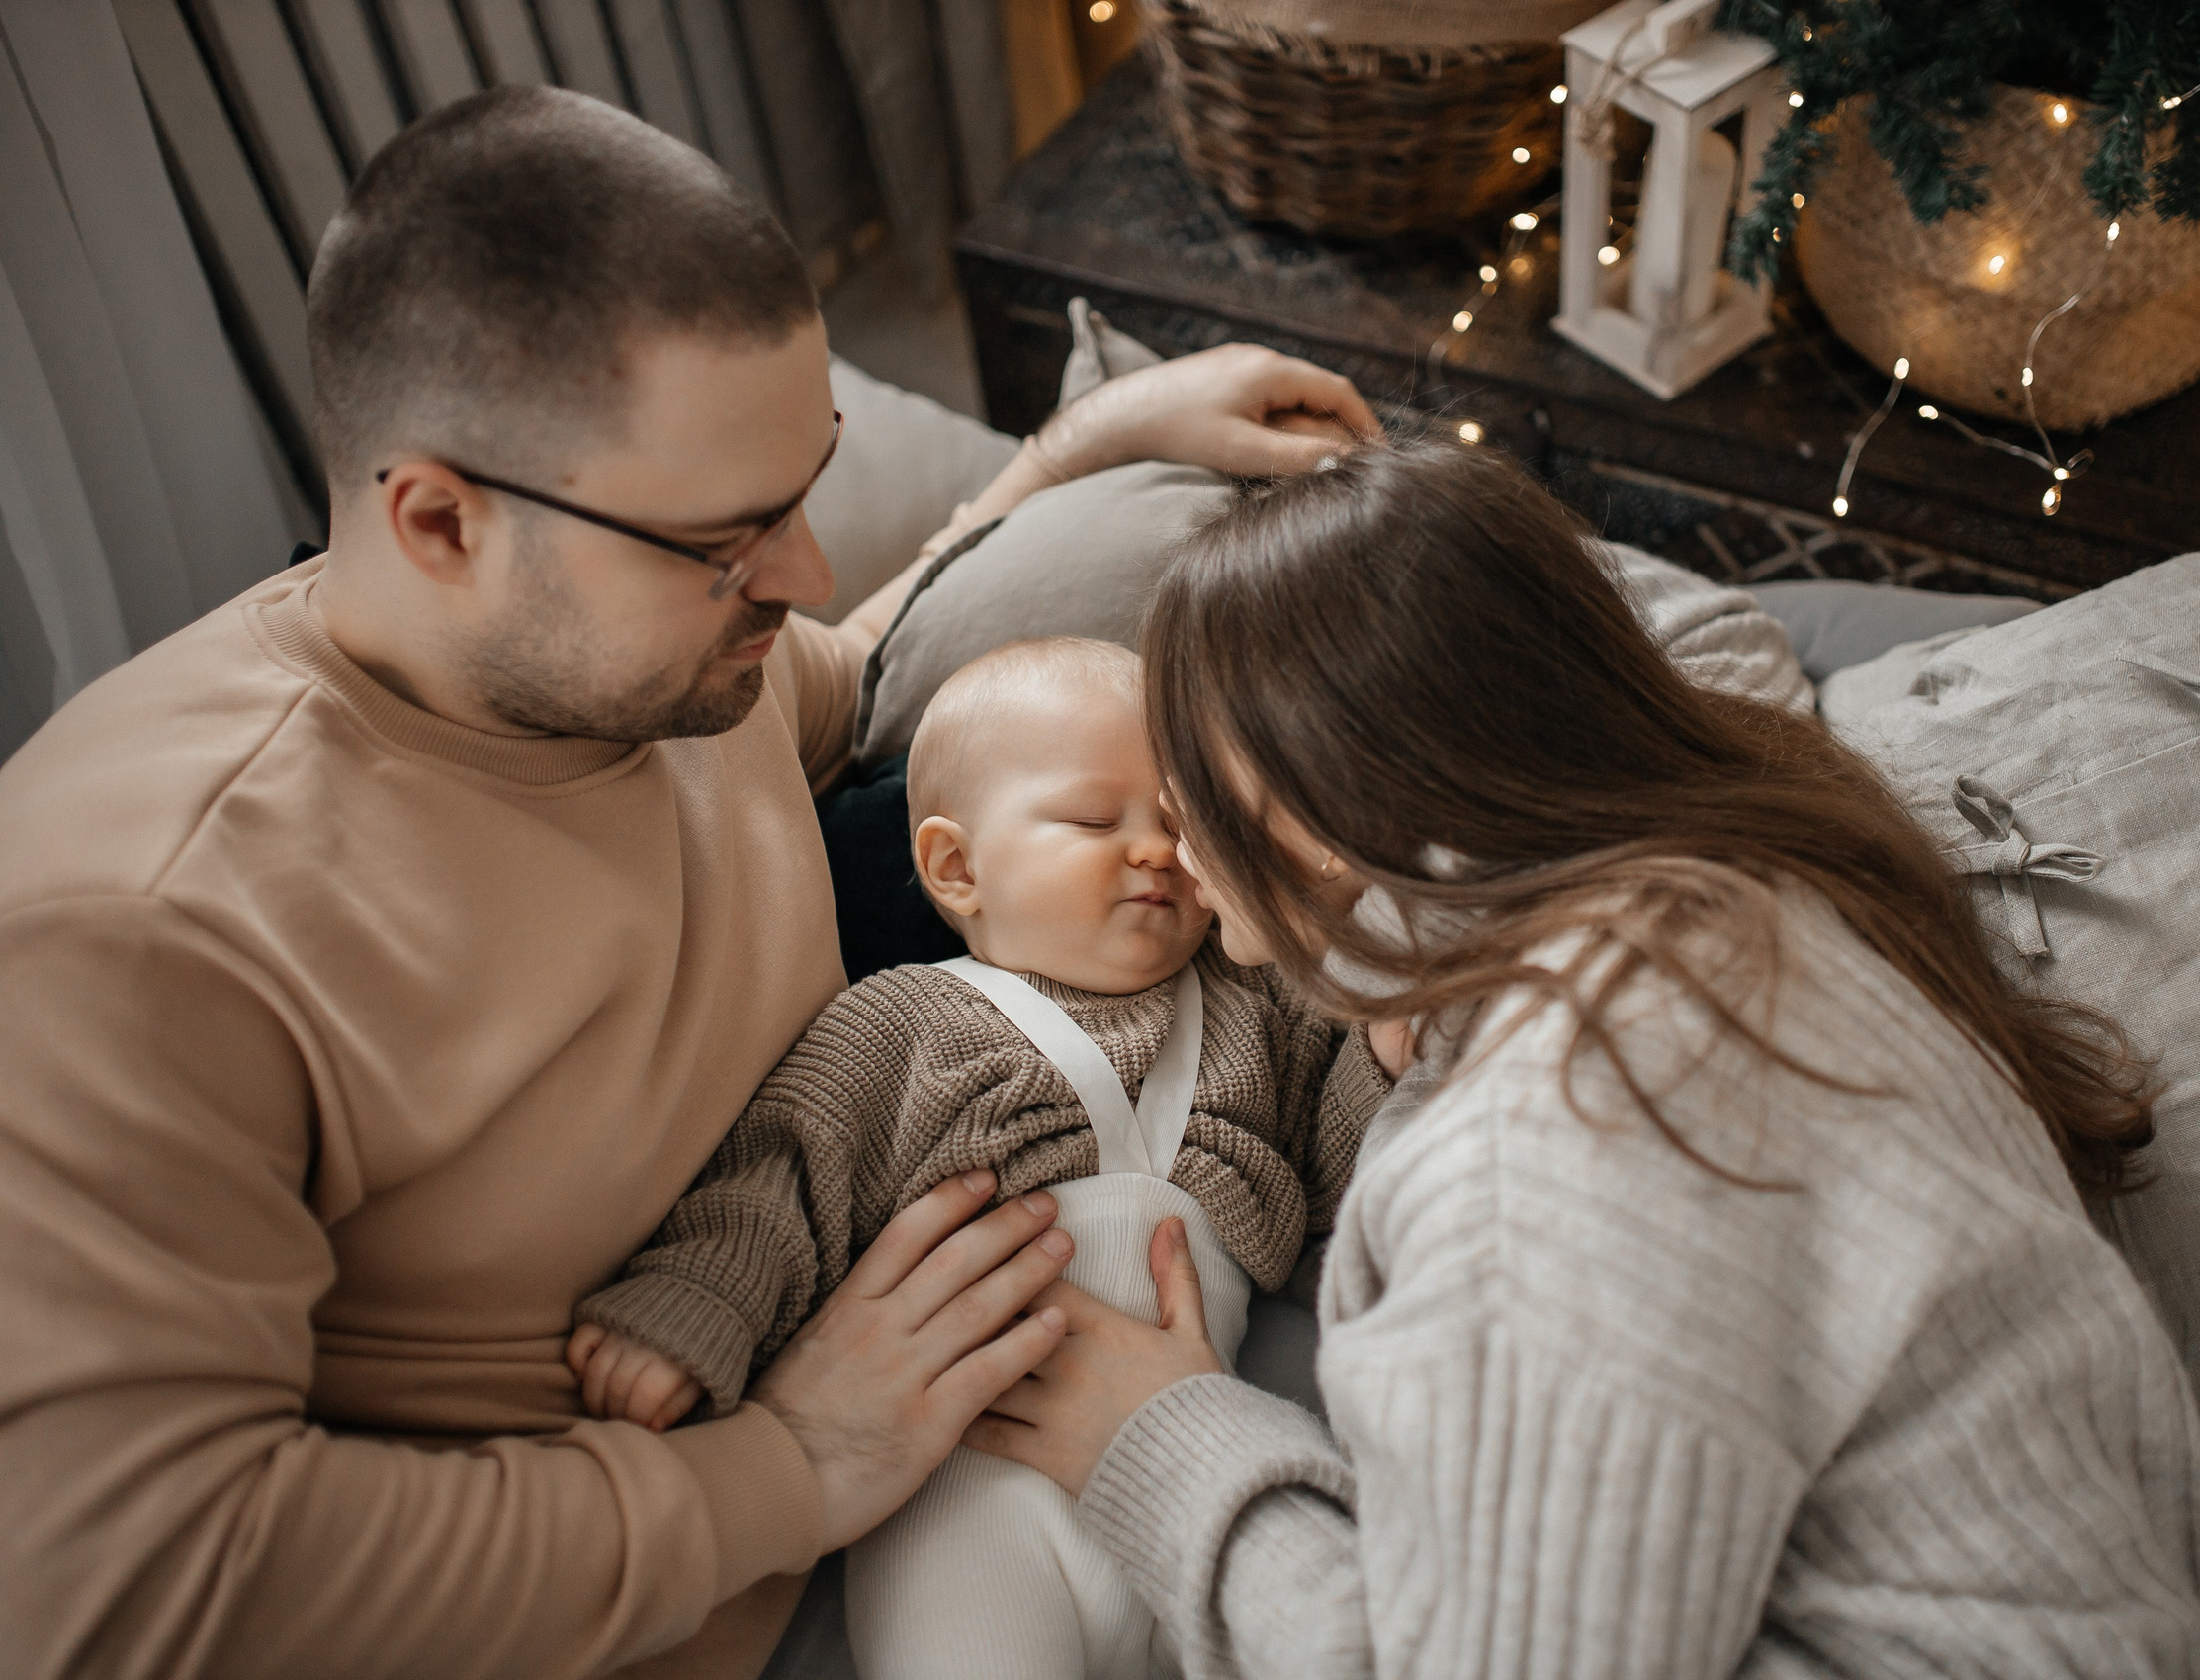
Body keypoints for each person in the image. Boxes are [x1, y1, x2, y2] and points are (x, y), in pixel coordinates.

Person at [0, 87, 1375, 1680]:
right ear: (441, 521)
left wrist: (1082, 451)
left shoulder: (672, 667)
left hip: (998, 1405)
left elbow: (871, 677)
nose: (800, 574)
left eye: (808, 487)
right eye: (730, 540)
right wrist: (789, 1462)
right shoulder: (136, 936)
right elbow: (122, 1591)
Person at [966, 438, 2200, 1678]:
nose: (1170, 829)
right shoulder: (1739, 883)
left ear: (1312, 809)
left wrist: (1165, 1438)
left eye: (1186, 775)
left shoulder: (1549, 1142)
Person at [569, 635, 1400, 1679]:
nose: (1155, 852)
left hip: (1191, 1469)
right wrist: (691, 1311)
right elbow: (780, 1180)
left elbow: (1346, 1162)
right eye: (1095, 821)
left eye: (1181, 826)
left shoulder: (1254, 1003)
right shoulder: (902, 1021)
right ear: (957, 867)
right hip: (966, 1490)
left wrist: (1387, 1035)